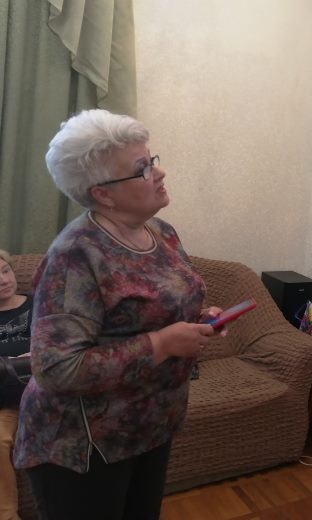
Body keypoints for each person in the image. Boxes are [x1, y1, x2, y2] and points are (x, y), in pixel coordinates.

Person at [13, 110, 224, 520]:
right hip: (83, 444)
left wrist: (200, 319)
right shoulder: (75, 255)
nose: (159, 173)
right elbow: (56, 368)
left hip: (149, 425)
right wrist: (162, 343)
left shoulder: (161, 231)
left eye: (152, 160)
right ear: (103, 194)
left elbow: (153, 309)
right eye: (142, 168)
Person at [0, 250, 32, 520]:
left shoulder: (38, 304)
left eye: (5, 271)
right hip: (6, 400)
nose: (3, 280)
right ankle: (8, 515)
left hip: (43, 395)